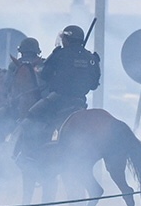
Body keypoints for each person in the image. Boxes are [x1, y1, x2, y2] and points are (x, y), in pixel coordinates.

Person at [16, 25, 100, 160]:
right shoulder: (91, 58)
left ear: (68, 39)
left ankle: (29, 157)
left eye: (64, 38)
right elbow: (94, 84)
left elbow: (45, 75)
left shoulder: (60, 54)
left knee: (30, 118)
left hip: (58, 99)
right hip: (80, 101)